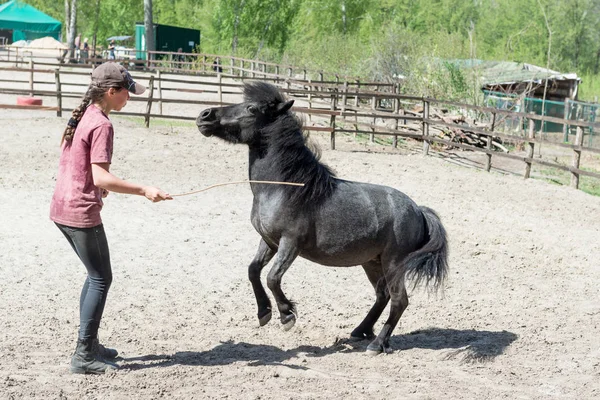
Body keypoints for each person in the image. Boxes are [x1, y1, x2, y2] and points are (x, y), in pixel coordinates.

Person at [50, 62, 172, 374]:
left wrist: (95, 186)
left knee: (95, 276)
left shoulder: (84, 115)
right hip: (80, 212)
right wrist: (144, 189)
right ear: (111, 91)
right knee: (101, 278)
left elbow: (80, 167)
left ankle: (89, 345)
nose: (129, 98)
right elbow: (101, 177)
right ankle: (84, 355)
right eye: (127, 93)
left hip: (61, 206)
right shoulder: (102, 124)